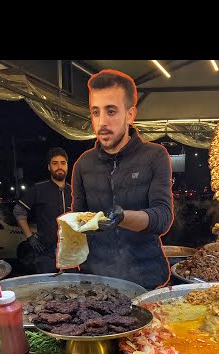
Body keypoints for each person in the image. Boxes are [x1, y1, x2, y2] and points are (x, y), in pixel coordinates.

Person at [70, 69, 174, 290]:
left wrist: (122, 217)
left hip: (146, 277)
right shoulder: (83, 164)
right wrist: (69, 228)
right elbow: (78, 219)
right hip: (96, 278)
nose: (101, 122)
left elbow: (163, 217)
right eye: (95, 112)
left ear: (130, 114)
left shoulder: (154, 156)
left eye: (111, 111)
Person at [13, 147, 72, 273]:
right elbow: (19, 211)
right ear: (49, 167)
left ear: (67, 166)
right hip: (45, 253)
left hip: (71, 253)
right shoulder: (38, 189)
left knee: (71, 287)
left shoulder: (74, 191)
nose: (59, 167)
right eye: (55, 163)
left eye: (63, 163)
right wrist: (30, 237)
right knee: (47, 288)